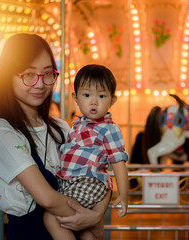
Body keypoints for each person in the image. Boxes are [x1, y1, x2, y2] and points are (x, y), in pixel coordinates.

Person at [0, 33, 110, 240]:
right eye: (28, 75)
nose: (40, 84)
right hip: (31, 233)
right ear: (8, 76)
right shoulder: (3, 131)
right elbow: (46, 198)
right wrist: (93, 220)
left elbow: (99, 174)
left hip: (72, 228)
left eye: (47, 74)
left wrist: (95, 215)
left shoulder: (61, 128)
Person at [44, 64, 129, 240]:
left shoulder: (109, 129)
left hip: (87, 183)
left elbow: (118, 162)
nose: (94, 101)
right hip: (70, 182)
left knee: (51, 217)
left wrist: (123, 194)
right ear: (76, 98)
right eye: (87, 95)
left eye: (102, 96)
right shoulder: (77, 124)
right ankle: (93, 232)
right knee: (83, 231)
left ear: (112, 100)